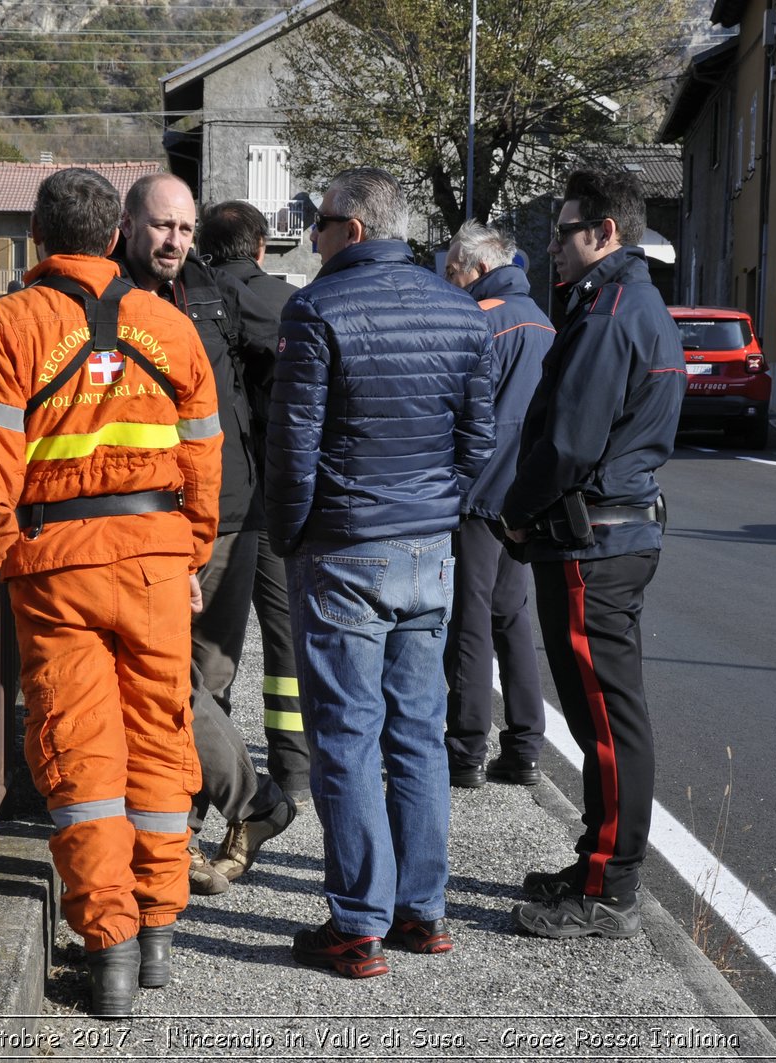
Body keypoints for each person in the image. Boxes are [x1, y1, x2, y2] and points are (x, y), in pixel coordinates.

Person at [0, 167, 222, 1018]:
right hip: (154, 558)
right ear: (115, 237)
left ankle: (107, 950)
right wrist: (190, 554)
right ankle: (157, 935)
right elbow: (203, 457)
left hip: (56, 567)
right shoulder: (171, 327)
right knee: (159, 742)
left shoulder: (5, 324)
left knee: (81, 759)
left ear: (36, 238)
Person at [266, 167, 495, 978]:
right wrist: (439, 508)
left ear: (353, 229)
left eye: (319, 222)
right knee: (417, 734)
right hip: (427, 547)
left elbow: (294, 451)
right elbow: (479, 440)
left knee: (348, 738)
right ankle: (422, 911)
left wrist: (290, 537)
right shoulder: (461, 311)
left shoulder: (318, 308)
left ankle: (358, 924)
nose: (313, 235)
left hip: (347, 546)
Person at [500, 169, 685, 940]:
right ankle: (598, 861)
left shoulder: (611, 311)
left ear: (605, 231)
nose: (553, 243)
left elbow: (570, 442)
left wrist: (512, 511)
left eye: (564, 228)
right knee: (597, 712)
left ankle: (609, 885)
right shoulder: (623, 300)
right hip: (607, 534)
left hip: (593, 539)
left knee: (606, 718)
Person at [115, 174, 297, 893]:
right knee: (170, 680)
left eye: (185, 230)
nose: (174, 241)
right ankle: (234, 809)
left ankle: (185, 829)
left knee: (203, 681)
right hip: (145, 522)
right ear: (129, 224)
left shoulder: (217, 292)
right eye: (162, 227)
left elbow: (300, 336)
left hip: (227, 516)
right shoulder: (106, 294)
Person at [196, 199, 312, 807]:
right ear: (262, 247)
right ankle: (293, 768)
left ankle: (208, 765)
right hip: (280, 496)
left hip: (222, 494)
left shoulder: (192, 301)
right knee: (286, 634)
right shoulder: (290, 303)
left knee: (212, 645)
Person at [440, 221, 554, 789]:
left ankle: (465, 751)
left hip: (477, 493)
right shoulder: (546, 324)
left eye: (453, 272)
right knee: (511, 616)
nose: (449, 282)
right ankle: (526, 747)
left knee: (470, 620)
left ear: (479, 270)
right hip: (525, 493)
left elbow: (455, 413)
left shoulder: (480, 322)